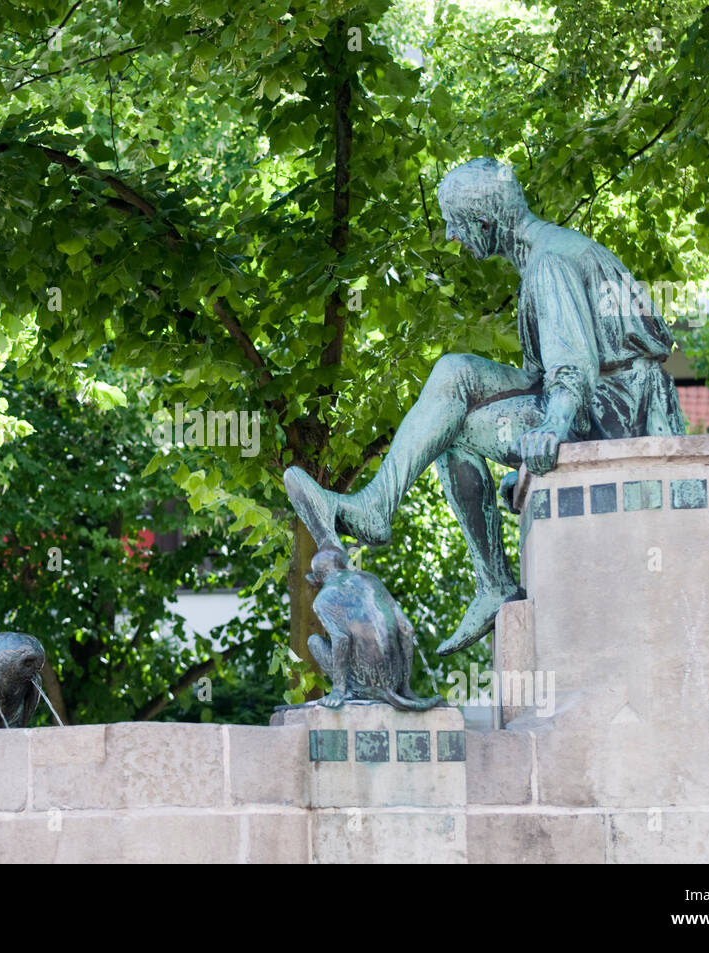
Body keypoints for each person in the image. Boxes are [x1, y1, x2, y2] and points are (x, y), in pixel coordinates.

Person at [284, 157, 685, 656]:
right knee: (455, 372)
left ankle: (482, 574)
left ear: (486, 224)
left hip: (609, 412)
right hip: (597, 399)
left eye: (456, 225)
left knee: (453, 429)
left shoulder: (548, 264)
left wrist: (551, 428)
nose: (453, 237)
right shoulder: (546, 251)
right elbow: (553, 371)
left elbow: (571, 366)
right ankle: (379, 507)